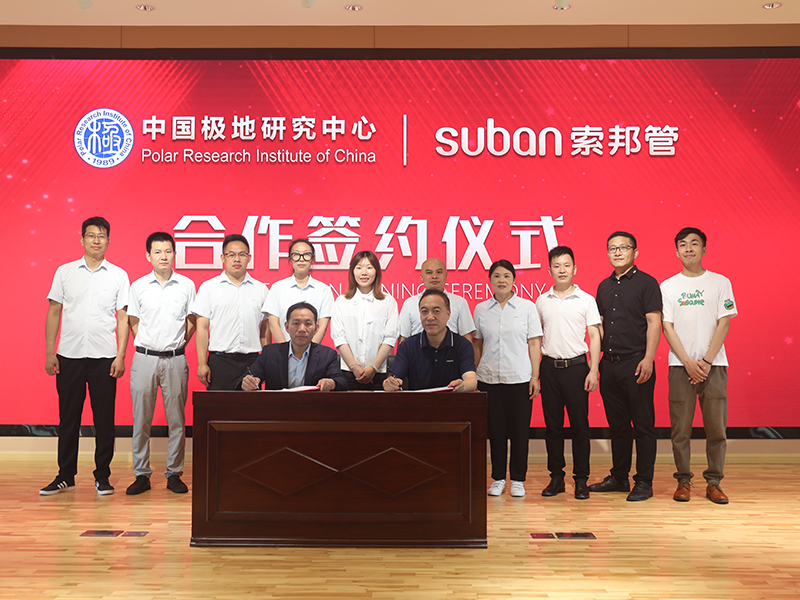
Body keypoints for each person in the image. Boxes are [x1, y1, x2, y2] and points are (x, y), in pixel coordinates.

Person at [40, 216, 130, 496]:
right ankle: (65, 475)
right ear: (81, 239)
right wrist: (50, 352)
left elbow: (123, 317)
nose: (96, 240)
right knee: (68, 419)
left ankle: (102, 476)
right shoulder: (65, 272)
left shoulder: (118, 275)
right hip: (69, 356)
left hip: (105, 358)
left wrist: (120, 356)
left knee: (104, 420)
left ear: (108, 241)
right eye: (91, 235)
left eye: (101, 236)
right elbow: (54, 311)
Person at [661, 227, 737, 504]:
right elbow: (666, 327)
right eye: (683, 244)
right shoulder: (667, 286)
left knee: (716, 429)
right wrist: (688, 362)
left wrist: (705, 361)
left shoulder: (720, 282)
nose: (689, 248)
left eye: (694, 243)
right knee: (680, 430)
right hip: (680, 367)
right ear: (677, 251)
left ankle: (714, 482)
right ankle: (683, 481)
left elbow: (724, 322)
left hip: (713, 366)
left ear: (704, 249)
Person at [589, 231, 662, 502]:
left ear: (635, 252)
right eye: (612, 248)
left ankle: (644, 481)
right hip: (609, 365)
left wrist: (648, 358)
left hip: (637, 363)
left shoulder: (647, 283)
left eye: (623, 247)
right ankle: (619, 477)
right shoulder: (603, 286)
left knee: (643, 426)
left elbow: (654, 322)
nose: (617, 252)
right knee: (618, 426)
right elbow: (598, 326)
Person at [126, 232, 196, 496]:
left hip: (176, 359)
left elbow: (192, 320)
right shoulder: (138, 286)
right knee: (141, 420)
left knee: (176, 420)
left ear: (174, 254)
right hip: (144, 359)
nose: (163, 256)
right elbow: (133, 321)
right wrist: (149, 345)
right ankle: (141, 474)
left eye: (168, 251)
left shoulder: (186, 285)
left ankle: (174, 474)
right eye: (157, 252)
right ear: (148, 256)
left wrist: (177, 344)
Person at [535, 246, 601, 500]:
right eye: (557, 266)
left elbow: (594, 336)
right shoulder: (542, 301)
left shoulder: (586, 300)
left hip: (577, 369)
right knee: (553, 427)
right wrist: (535, 374)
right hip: (549, 368)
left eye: (566, 265)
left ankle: (581, 479)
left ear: (575, 268)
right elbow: (536, 338)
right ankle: (556, 477)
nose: (562, 270)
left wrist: (593, 370)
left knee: (580, 427)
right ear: (549, 270)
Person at [473, 260, 542, 498]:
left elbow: (534, 342)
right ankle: (499, 478)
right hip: (489, 379)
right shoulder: (481, 309)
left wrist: (535, 376)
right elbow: (478, 343)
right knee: (496, 432)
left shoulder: (526, 307)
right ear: (490, 280)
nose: (501, 280)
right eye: (496, 276)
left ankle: (518, 479)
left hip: (519, 378)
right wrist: (476, 373)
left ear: (513, 280)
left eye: (506, 276)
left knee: (520, 432)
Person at [192, 234, 269, 391]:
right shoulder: (209, 288)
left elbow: (265, 330)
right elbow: (202, 328)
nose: (237, 259)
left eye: (242, 254)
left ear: (249, 258)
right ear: (223, 257)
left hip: (252, 362)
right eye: (231, 255)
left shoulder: (261, 289)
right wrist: (202, 363)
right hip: (220, 362)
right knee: (219, 406)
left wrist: (266, 362)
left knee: (252, 406)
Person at [238, 302, 346, 391]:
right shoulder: (270, 353)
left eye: (308, 324)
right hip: (277, 408)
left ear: (316, 329)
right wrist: (247, 382)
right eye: (296, 323)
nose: (302, 329)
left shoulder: (327, 355)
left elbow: (341, 382)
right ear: (287, 327)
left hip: (312, 408)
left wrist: (332, 383)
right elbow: (246, 379)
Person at [330, 250, 399, 390]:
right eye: (359, 267)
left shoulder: (388, 301)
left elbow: (390, 338)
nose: (364, 272)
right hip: (347, 373)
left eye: (369, 267)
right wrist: (354, 367)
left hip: (378, 374)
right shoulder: (341, 301)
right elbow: (339, 338)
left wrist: (373, 368)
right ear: (352, 271)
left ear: (377, 271)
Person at [384, 289, 477, 392]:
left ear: (448, 314)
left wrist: (463, 385)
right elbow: (394, 378)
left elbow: (471, 379)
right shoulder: (407, 346)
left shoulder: (463, 345)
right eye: (424, 311)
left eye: (436, 311)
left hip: (453, 400)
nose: (430, 317)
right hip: (417, 401)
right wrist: (389, 384)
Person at [263, 238, 334, 345]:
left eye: (306, 254)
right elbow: (273, 324)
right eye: (296, 254)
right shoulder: (278, 287)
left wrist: (308, 352)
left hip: (313, 352)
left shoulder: (323, 290)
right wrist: (285, 350)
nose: (301, 259)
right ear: (290, 259)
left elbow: (322, 327)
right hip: (283, 352)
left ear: (312, 259)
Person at [397, 257, 475, 344]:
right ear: (422, 277)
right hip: (416, 352)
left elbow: (466, 337)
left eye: (439, 272)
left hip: (452, 352)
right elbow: (403, 338)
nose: (434, 276)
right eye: (429, 273)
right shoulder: (409, 303)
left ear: (446, 275)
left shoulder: (459, 302)